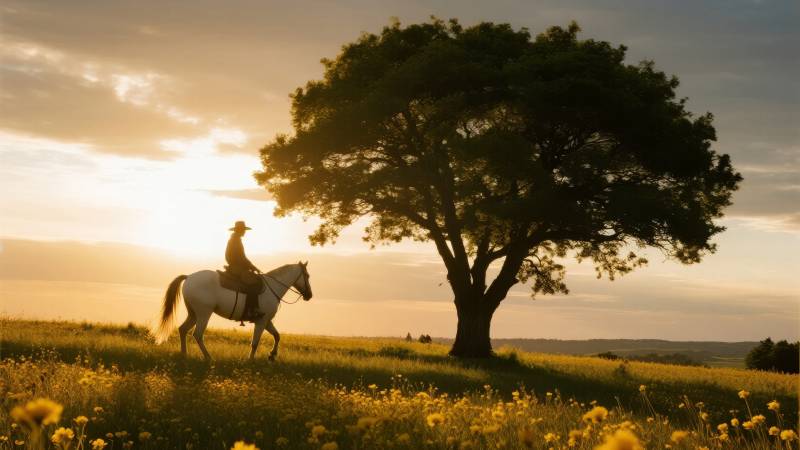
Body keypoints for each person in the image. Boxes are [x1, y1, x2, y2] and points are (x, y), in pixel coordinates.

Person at [225, 221, 264, 321]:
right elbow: (241, 257)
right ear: (239, 230)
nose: (244, 232)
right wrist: (252, 267)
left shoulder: (235, 239)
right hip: (236, 267)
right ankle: (253, 309)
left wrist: (251, 266)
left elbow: (241, 257)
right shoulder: (235, 240)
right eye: (243, 230)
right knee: (254, 283)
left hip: (237, 266)